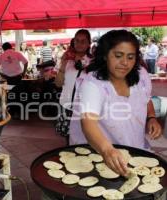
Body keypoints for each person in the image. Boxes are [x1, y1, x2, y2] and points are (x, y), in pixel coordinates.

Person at [69, 30, 162, 176]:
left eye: (130, 57)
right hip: (101, 154)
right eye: (118, 56)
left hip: (134, 147)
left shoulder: (141, 76)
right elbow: (88, 123)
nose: (125, 63)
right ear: (105, 56)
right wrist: (107, 150)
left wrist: (151, 117)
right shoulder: (93, 84)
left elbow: (146, 99)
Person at [54, 29, 92, 144]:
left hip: (84, 107)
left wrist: (80, 62)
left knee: (85, 139)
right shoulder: (67, 61)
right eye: (76, 41)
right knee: (68, 140)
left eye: (83, 41)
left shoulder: (93, 62)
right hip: (66, 105)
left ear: (88, 43)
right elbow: (58, 84)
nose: (79, 44)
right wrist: (64, 63)